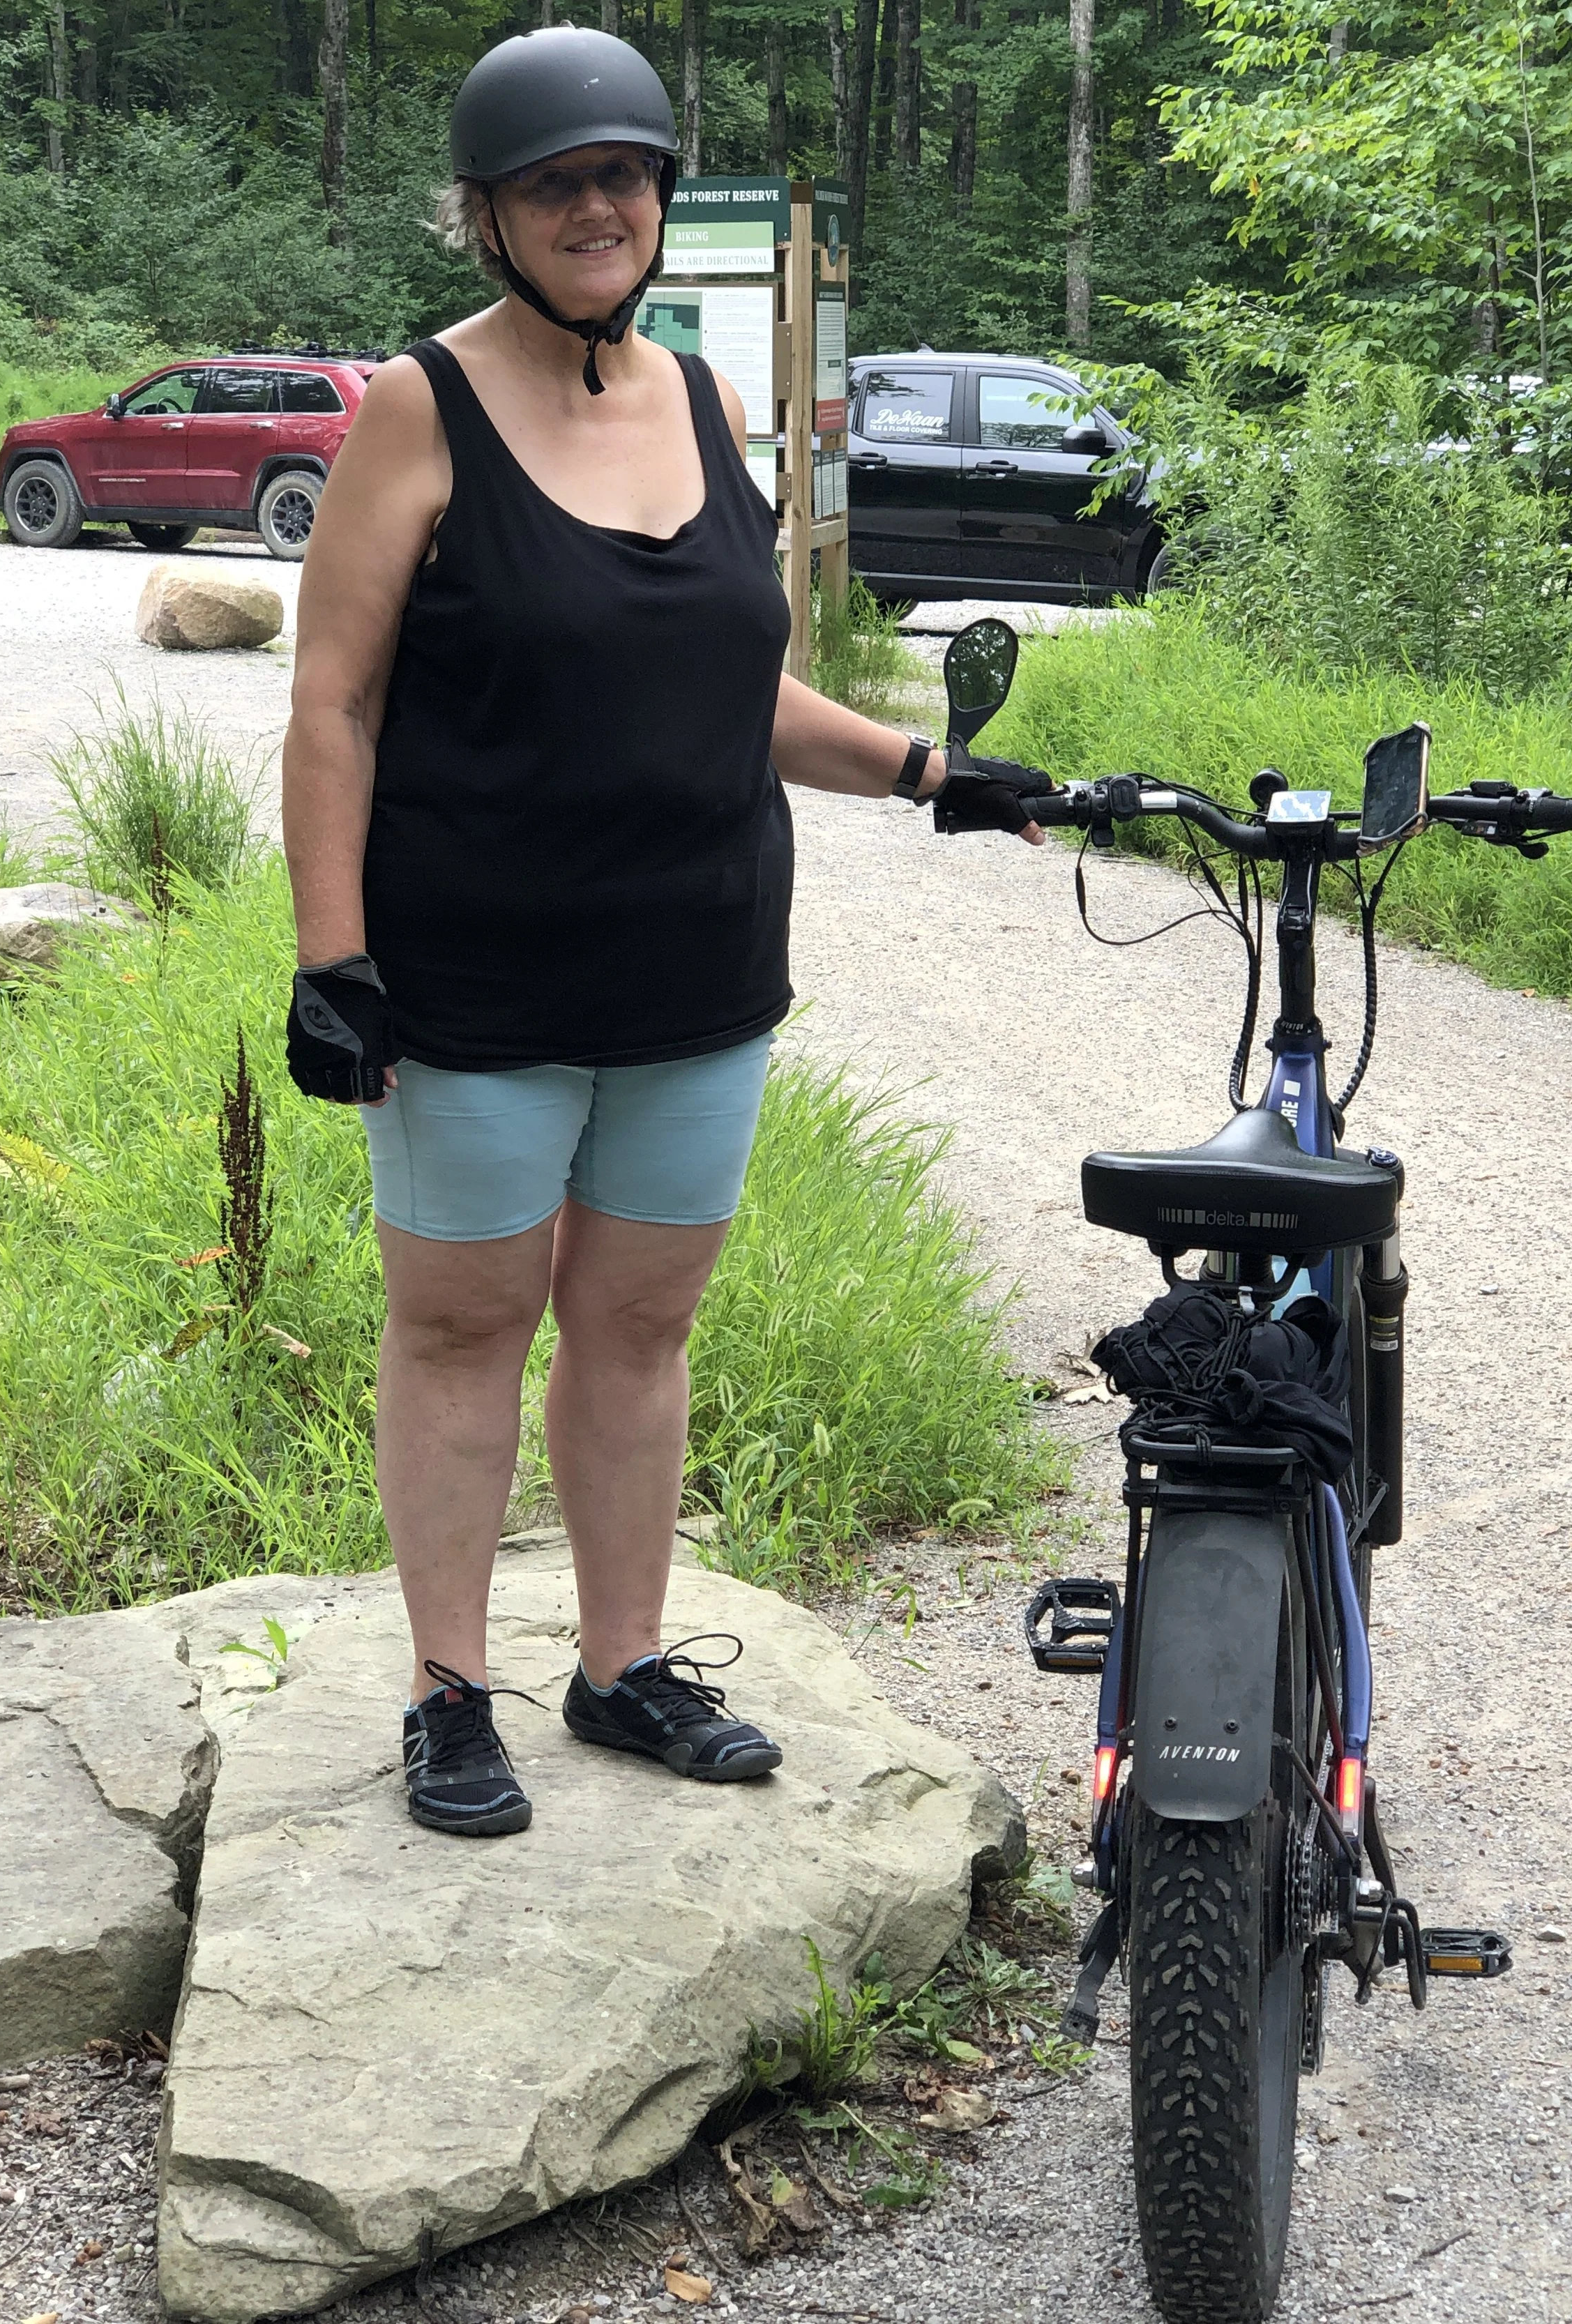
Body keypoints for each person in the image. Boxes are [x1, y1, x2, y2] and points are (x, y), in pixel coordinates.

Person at [281, 25, 1055, 1839]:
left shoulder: (699, 402)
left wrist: (928, 766)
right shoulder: (421, 407)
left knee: (638, 1323)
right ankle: (447, 1690)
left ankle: (621, 1664)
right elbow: (332, 706)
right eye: (555, 182)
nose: (597, 206)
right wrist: (332, 959)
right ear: (486, 216)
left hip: (698, 966)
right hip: (471, 975)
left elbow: (736, 689)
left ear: (656, 198)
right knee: (464, 1323)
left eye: (623, 174)